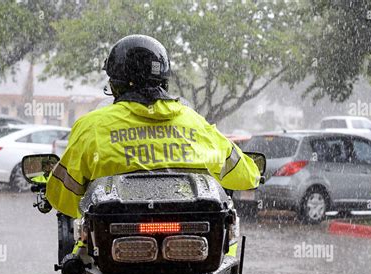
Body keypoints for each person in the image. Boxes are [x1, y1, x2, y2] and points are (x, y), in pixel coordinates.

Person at [46, 34, 260, 219]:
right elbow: (248, 177)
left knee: (79, 253)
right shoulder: (195, 124)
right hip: (193, 252)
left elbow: (62, 198)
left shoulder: (91, 127)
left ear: (114, 84)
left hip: (113, 256)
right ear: (163, 80)